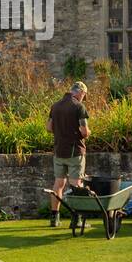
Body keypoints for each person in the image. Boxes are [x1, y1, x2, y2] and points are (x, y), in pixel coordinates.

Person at [47, 80, 90, 227]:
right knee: (76, 184)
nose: (83, 97)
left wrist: (61, 132)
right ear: (79, 92)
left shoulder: (55, 106)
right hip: (74, 152)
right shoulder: (79, 107)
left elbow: (48, 127)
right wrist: (88, 132)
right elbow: (84, 132)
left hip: (59, 151)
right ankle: (76, 219)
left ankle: (54, 218)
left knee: (58, 184)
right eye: (84, 95)